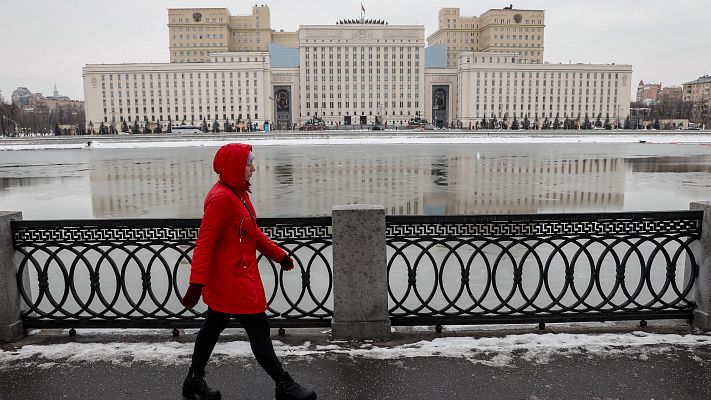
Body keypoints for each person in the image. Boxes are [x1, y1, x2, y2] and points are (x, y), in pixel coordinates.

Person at [181, 143, 317, 400]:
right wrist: (195, 284)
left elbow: (252, 233)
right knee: (258, 328)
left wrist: (278, 255)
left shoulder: (237, 194)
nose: (253, 168)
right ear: (235, 166)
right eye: (248, 163)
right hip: (232, 282)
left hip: (235, 278)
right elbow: (205, 243)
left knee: (212, 328)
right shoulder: (221, 198)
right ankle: (284, 384)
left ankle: (193, 381)